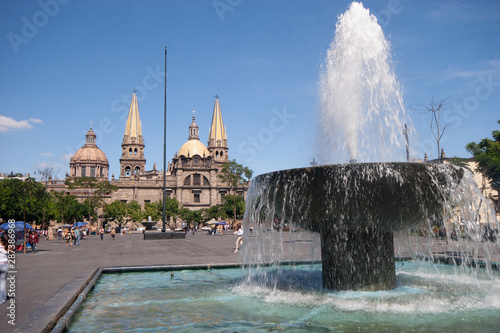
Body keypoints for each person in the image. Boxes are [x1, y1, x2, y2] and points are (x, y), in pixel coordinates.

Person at [0, 233, 9, 304]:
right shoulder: (7, 246)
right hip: (5, 265)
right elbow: (11, 256)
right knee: (3, 283)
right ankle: (2, 299)